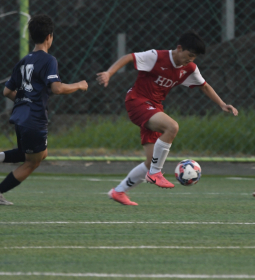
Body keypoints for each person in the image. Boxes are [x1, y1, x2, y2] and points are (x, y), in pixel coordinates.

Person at [97, 31, 238, 206]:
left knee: (150, 161)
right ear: (179, 48)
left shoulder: (190, 68)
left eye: (194, 57)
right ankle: (156, 173)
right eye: (189, 55)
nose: (191, 60)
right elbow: (128, 57)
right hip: (137, 101)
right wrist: (109, 73)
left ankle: (118, 192)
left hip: (154, 107)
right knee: (172, 127)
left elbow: (204, 86)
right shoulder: (156, 57)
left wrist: (222, 104)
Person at [0, 14, 88, 205]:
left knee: (38, 153)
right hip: (35, 119)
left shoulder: (23, 62)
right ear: (49, 37)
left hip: (20, 117)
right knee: (32, 161)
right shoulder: (48, 60)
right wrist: (79, 85)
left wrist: (24, 101)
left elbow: (6, 91)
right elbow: (57, 88)